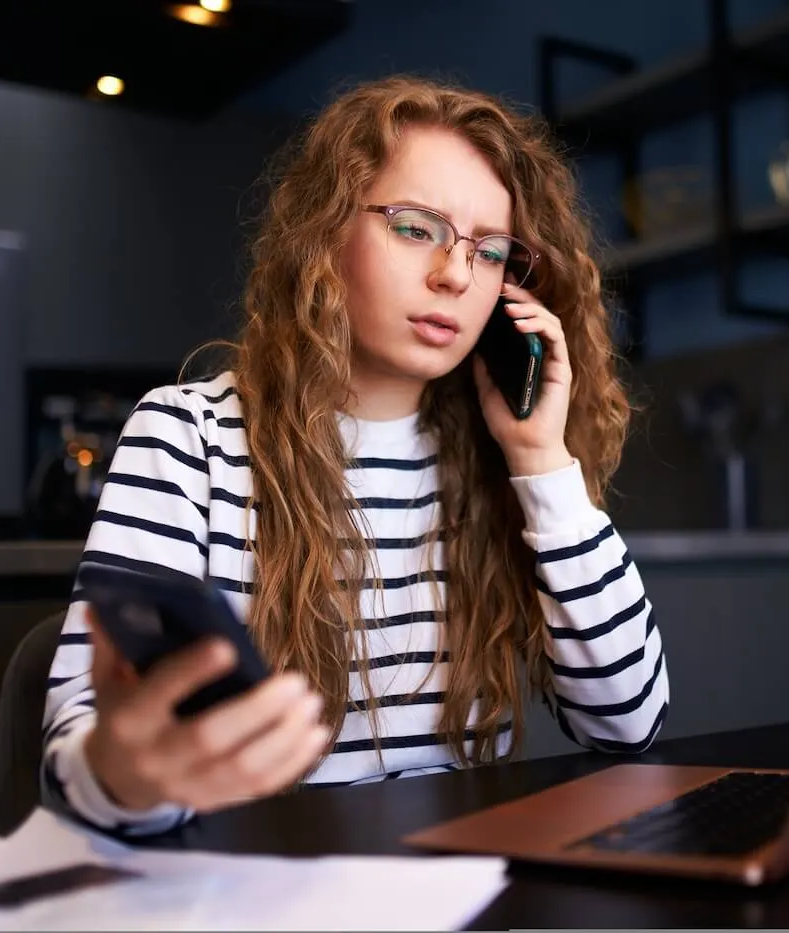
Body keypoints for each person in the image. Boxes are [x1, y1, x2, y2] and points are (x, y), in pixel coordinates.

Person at [41, 75, 670, 836]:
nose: (455, 275)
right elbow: (84, 753)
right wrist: (128, 774)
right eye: (415, 227)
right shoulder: (187, 439)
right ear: (325, 232)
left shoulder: (496, 462)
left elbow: (629, 723)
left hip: (465, 891)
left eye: (492, 250)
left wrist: (542, 461)